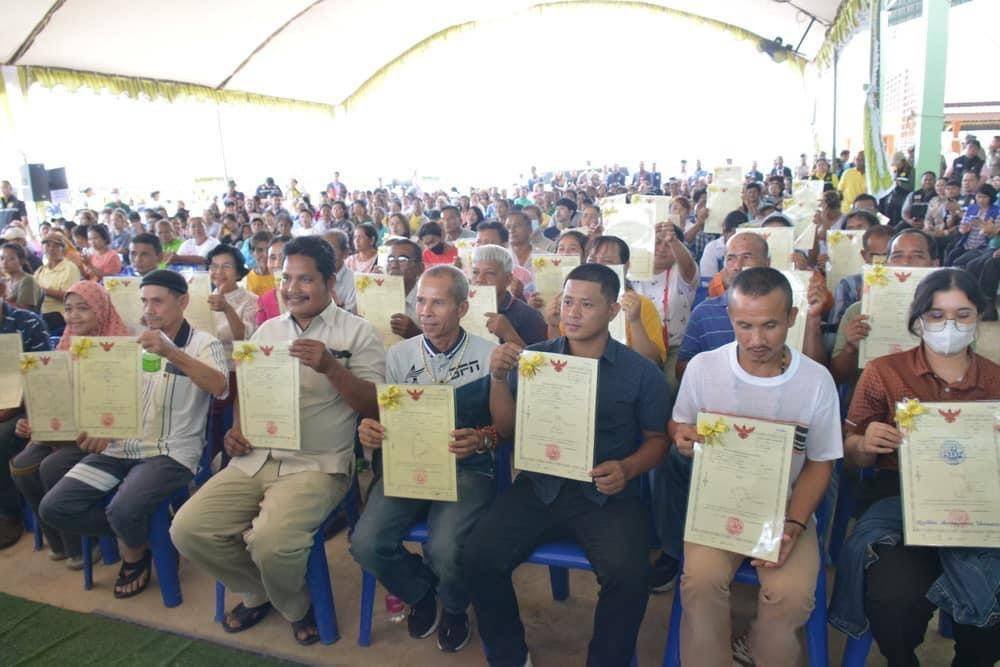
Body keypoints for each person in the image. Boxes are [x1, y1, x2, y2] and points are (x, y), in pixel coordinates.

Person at [171, 236, 385, 645]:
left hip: (318, 466)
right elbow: (248, 394)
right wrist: (237, 430)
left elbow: (373, 405)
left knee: (270, 542)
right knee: (187, 529)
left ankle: (295, 606)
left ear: (331, 282)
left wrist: (330, 368)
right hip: (256, 458)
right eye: (286, 278)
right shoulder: (268, 330)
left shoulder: (357, 333)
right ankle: (263, 592)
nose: (292, 288)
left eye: (305, 279)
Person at [465, 263, 670, 667]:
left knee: (630, 576)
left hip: (606, 493)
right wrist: (498, 379)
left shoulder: (640, 373)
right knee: (477, 555)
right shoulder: (536, 360)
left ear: (612, 311)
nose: (572, 313)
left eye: (587, 305)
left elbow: (658, 442)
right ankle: (508, 655)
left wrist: (627, 469)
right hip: (540, 485)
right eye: (568, 301)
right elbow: (505, 430)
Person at [670, 267, 841, 667]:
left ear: (792, 319)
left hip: (785, 506)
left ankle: (759, 649)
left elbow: (820, 464)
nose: (757, 340)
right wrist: (682, 435)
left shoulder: (816, 381)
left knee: (793, 595)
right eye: (744, 325)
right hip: (717, 503)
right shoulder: (703, 368)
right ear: (730, 319)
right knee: (700, 581)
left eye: (770, 325)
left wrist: (794, 526)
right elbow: (679, 422)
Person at [830, 269, 1000, 667]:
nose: (950, 326)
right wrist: (866, 443)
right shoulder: (885, 373)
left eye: (962, 314)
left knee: (992, 599)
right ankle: (901, 659)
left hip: (979, 503)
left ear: (978, 318)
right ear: (918, 318)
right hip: (900, 500)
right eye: (937, 315)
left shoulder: (995, 380)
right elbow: (850, 451)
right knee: (893, 597)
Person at [39, 269, 228, 597]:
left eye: (158, 301)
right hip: (120, 448)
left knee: (124, 507)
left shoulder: (203, 343)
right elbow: (112, 400)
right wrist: (98, 429)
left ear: (182, 302)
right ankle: (151, 537)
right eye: (144, 301)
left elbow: (220, 387)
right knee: (55, 507)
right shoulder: (132, 346)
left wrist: (171, 352)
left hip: (170, 453)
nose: (149, 309)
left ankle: (134, 555)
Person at [351, 265, 497, 653]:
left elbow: (506, 428)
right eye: (421, 301)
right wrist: (370, 430)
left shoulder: (488, 356)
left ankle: (453, 606)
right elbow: (385, 418)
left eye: (438, 302)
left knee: (446, 548)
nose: (426, 311)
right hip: (409, 462)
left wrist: (482, 439)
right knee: (365, 542)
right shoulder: (398, 355)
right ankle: (420, 592)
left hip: (469, 467)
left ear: (463, 307)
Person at [10, 281, 129, 566]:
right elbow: (49, 397)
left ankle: (83, 544)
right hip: (62, 432)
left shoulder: (120, 346)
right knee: (21, 466)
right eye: (68, 309)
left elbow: (122, 407)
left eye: (83, 308)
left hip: (104, 435)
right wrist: (33, 422)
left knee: (52, 466)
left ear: (100, 309)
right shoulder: (65, 344)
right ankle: (60, 540)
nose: (73, 316)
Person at [830, 229, 939, 384]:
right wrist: (850, 348)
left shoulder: (948, 313)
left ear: (934, 264)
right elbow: (838, 376)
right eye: (897, 256)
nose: (906, 262)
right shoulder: (858, 311)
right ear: (887, 262)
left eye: (917, 256)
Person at [0, 293, 51, 549]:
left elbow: (44, 375)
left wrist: (12, 406)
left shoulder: (27, 322)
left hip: (26, 404)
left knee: (2, 436)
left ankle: (9, 515)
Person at [631, 221, 699, 390]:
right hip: (638, 344)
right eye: (656, 242)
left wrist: (673, 240)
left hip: (673, 347)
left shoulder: (683, 272)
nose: (661, 248)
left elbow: (688, 264)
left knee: (668, 385)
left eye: (667, 245)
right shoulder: (631, 270)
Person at [470, 245, 547, 346]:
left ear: (508, 279)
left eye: (489, 273)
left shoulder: (529, 316)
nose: (479, 279)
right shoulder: (462, 308)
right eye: (475, 272)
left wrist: (508, 335)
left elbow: (539, 360)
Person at [205, 244, 258, 370]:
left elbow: (245, 340)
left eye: (226, 266)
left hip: (234, 370)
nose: (218, 272)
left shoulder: (251, 301)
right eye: (214, 266)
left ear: (238, 273)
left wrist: (227, 309)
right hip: (204, 365)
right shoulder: (204, 297)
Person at [35, 231, 83, 332]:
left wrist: (43, 290)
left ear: (63, 249)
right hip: (41, 313)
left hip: (59, 315)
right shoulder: (41, 270)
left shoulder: (69, 268)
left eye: (56, 246)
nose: (51, 249)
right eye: (48, 245)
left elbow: (69, 297)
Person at [254, 235, 290, 325]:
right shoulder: (264, 300)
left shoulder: (309, 296)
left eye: (284, 258)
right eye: (272, 258)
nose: (277, 264)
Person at [2, 242, 43, 311]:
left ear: (22, 260)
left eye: (11, 259)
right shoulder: (5, 281)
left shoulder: (28, 280)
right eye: (2, 258)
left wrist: (3, 300)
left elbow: (23, 312)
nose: (4, 262)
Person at [244, 231, 275, 297]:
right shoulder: (247, 279)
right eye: (260, 250)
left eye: (268, 250)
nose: (265, 254)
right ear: (252, 253)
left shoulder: (281, 276)